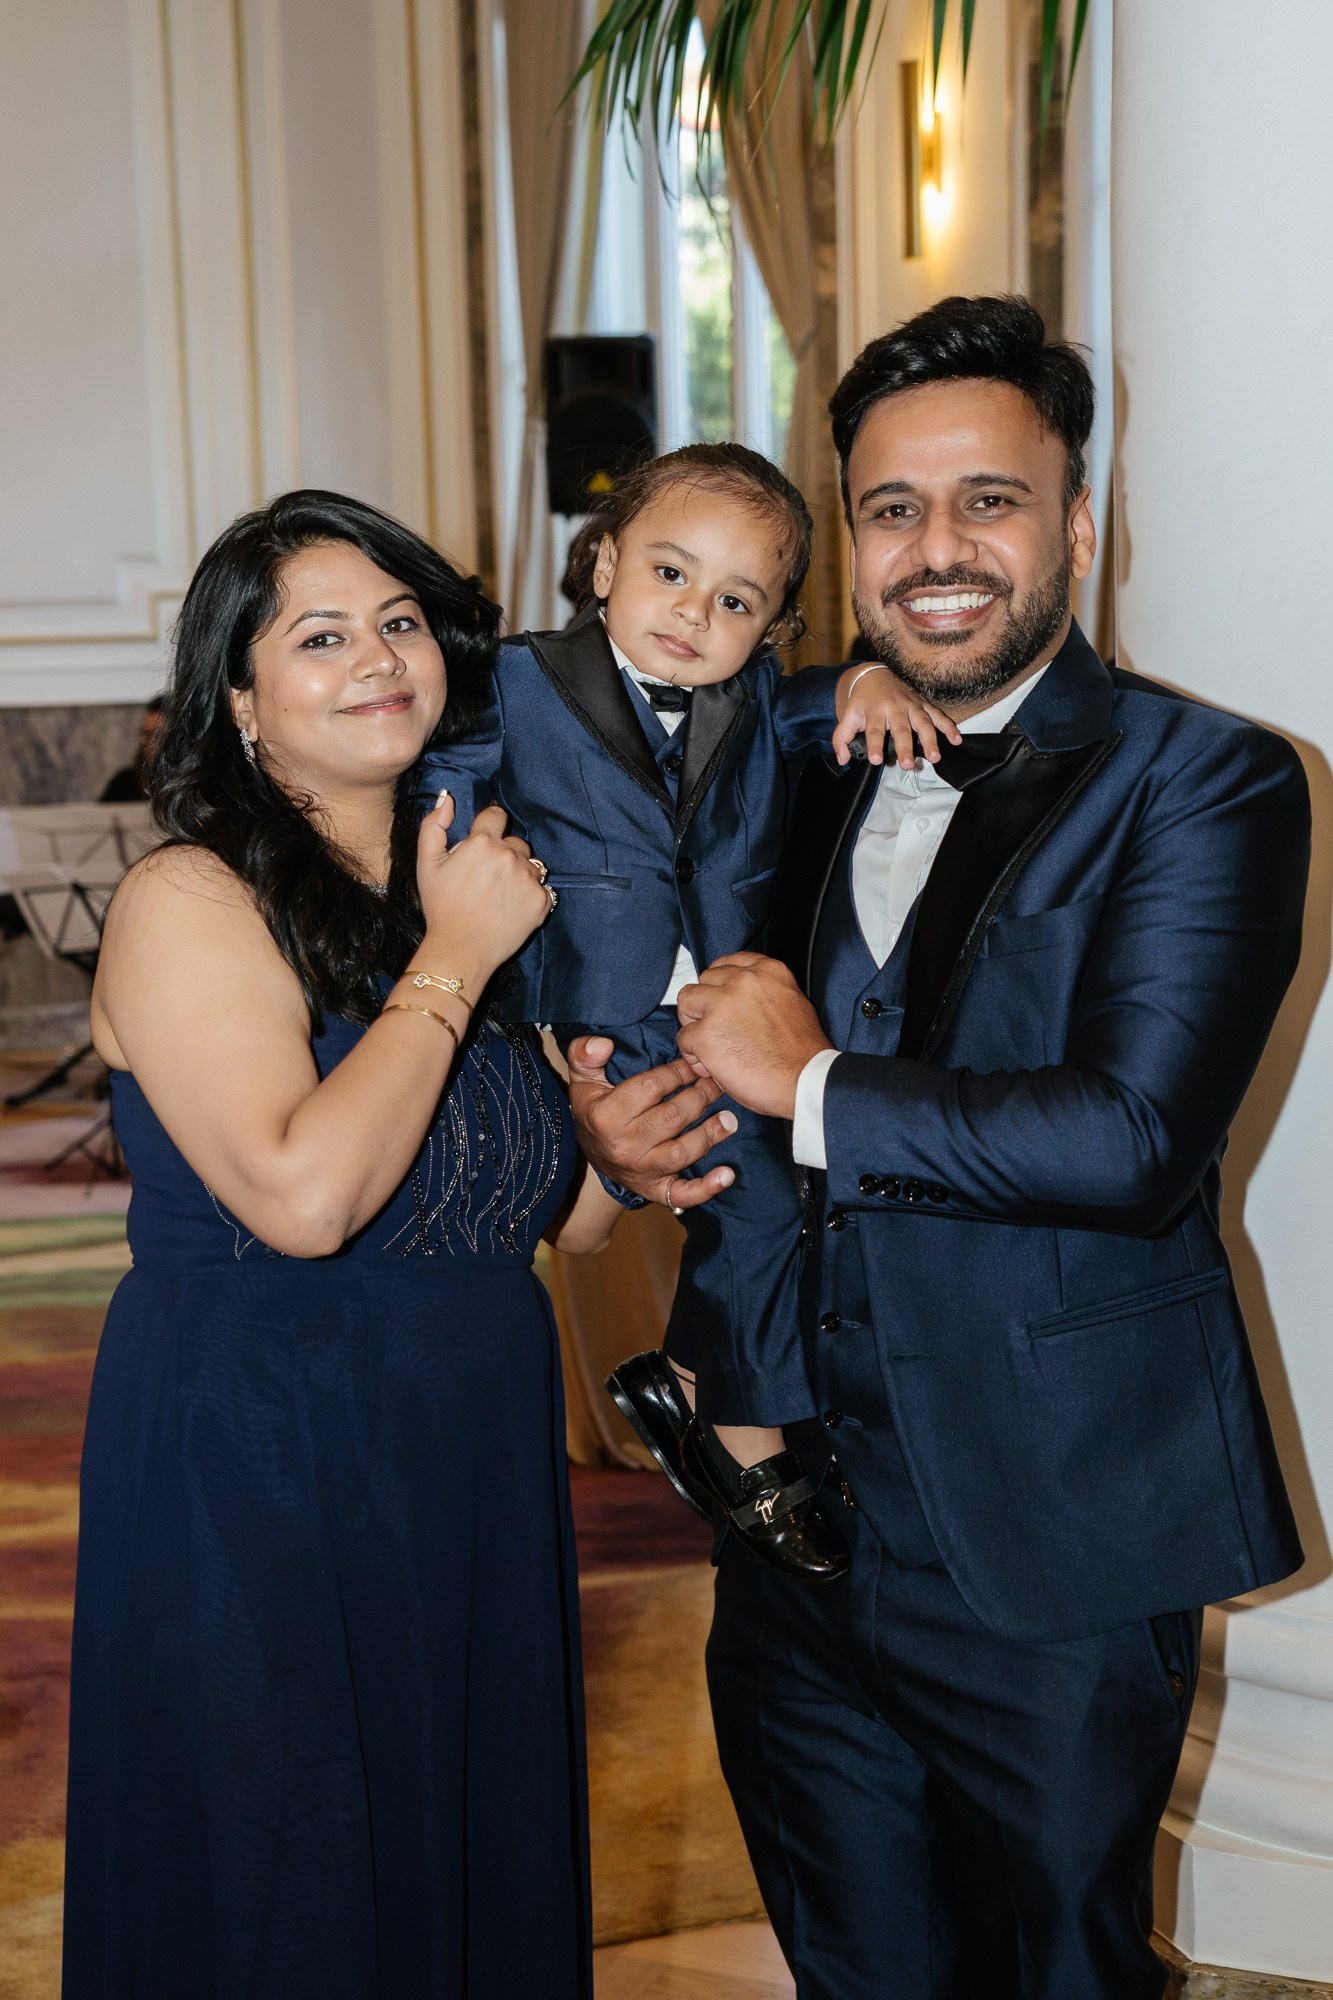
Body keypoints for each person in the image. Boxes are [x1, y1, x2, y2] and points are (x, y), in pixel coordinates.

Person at [568, 296, 1311, 1998]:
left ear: (1079, 527)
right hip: (786, 1536)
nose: (939, 549)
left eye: (990, 500)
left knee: (1058, 1973)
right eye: (892, 509)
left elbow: (1130, 1138)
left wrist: (812, 1081)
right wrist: (611, 1126)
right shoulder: (790, 744)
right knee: (855, 1971)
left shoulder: (1208, 782)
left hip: (1050, 1534)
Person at [63, 489, 624, 1999]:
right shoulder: (190, 897)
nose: (378, 657)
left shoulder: (474, 880)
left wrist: (633, 1128)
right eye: (320, 637)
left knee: (460, 1846)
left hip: (467, 1452)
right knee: (285, 1878)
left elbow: (566, 1216)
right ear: (239, 701)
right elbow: (303, 1201)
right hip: (262, 1456)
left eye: (398, 622)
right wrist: (458, 956)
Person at [426, 441, 957, 1578]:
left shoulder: (751, 695)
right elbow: (440, 788)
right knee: (725, 1195)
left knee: (774, 1194)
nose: (692, 613)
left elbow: (812, 706)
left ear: (768, 628)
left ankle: (705, 1386)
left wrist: (860, 684)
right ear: (604, 562)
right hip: (581, 1015)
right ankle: (728, 1420)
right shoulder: (516, 679)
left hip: (713, 1011)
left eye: (734, 601)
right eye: (670, 573)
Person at [99, 692, 165, 800]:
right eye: (145, 734)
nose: (146, 742)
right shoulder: (124, 783)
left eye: (156, 735)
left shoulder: (186, 785)